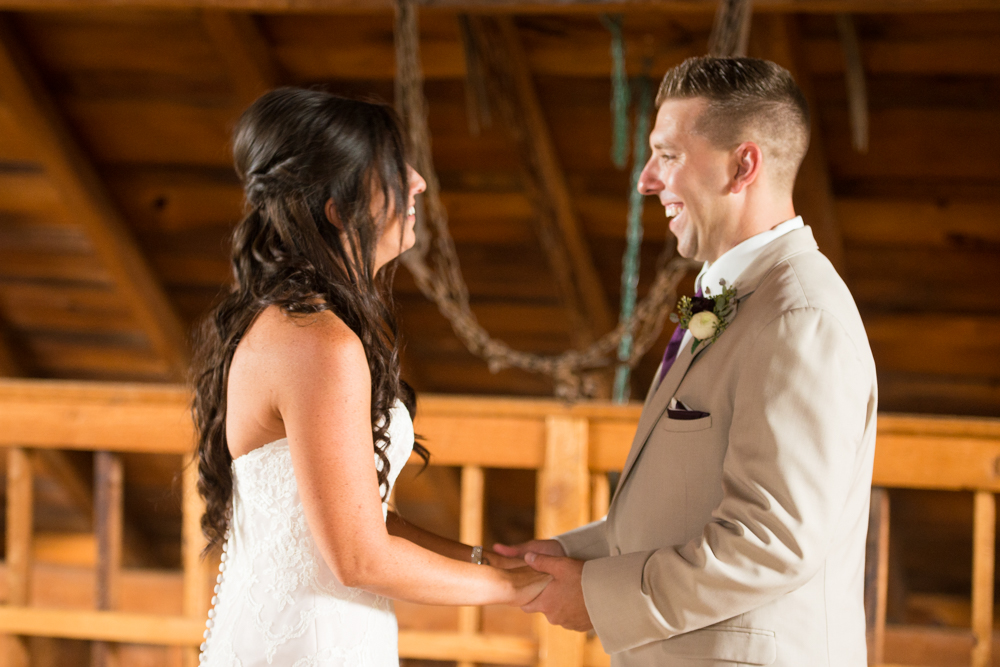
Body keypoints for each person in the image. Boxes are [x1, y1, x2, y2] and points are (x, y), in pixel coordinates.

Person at [496, 56, 878, 666]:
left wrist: (597, 597)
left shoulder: (799, 318)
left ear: (742, 164)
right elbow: (689, 509)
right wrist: (564, 557)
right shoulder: (734, 298)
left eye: (668, 155)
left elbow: (772, 541)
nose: (647, 180)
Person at [191, 88, 549, 667]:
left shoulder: (301, 322)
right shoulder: (316, 341)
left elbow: (365, 519)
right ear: (338, 209)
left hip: (319, 629)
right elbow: (359, 556)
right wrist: (518, 591)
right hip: (307, 644)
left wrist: (488, 562)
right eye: (392, 169)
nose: (417, 182)